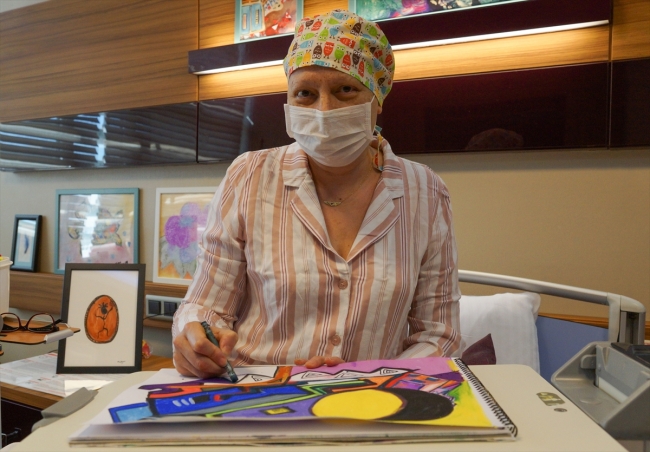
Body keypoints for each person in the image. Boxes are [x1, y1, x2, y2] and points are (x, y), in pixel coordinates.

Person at [172, 9, 461, 379]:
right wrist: (197, 337)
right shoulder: (249, 176)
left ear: (377, 98)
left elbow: (439, 335)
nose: (324, 110)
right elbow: (205, 305)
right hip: (256, 393)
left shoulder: (425, 191)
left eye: (345, 90)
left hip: (370, 397)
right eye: (305, 93)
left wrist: (368, 376)